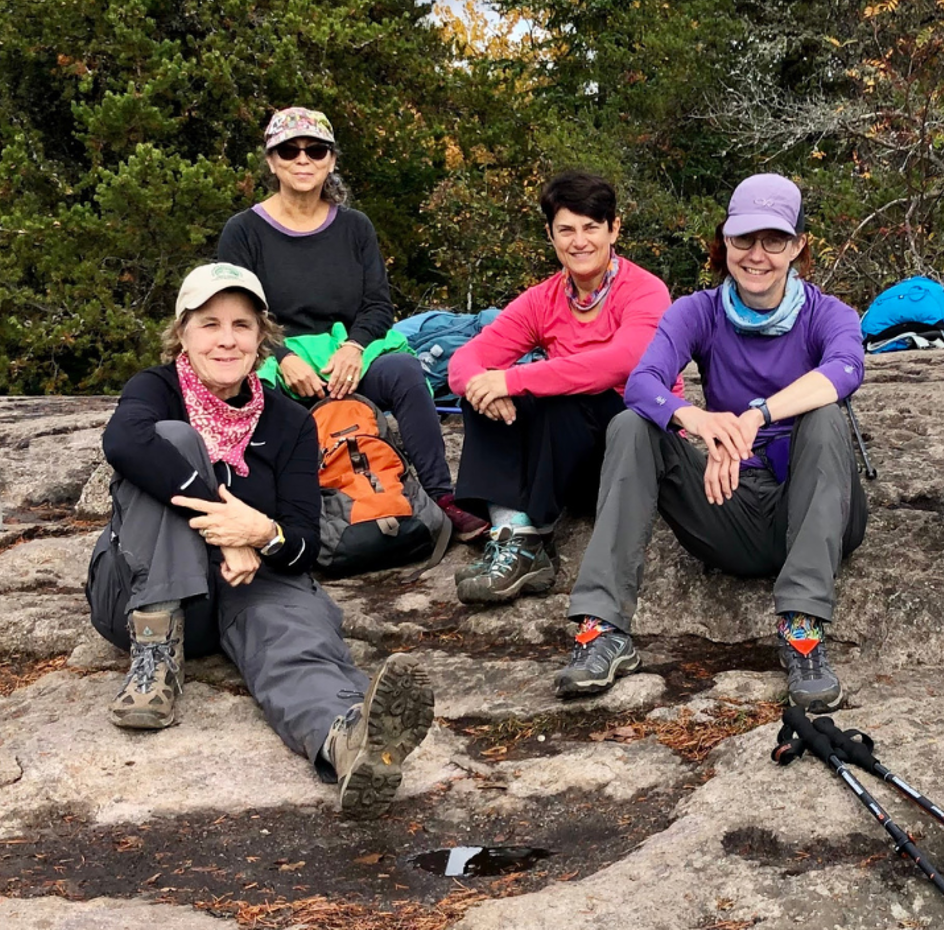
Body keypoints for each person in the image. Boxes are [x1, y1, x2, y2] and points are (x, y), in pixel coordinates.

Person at [86, 262, 433, 819]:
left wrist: (261, 532)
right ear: (183, 331)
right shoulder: (156, 390)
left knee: (292, 632)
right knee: (171, 441)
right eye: (209, 324)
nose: (226, 339)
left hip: (247, 585)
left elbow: (302, 542)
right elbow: (124, 443)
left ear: (262, 338)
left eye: (242, 325)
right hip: (139, 593)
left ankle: (347, 740)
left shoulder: (291, 422)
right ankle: (154, 666)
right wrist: (228, 527)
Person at [555, 174, 867, 710]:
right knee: (631, 425)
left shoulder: (828, 314)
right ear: (725, 242)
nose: (757, 255)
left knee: (825, 416)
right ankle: (603, 628)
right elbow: (643, 383)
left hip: (818, 506)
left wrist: (757, 415)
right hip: (733, 509)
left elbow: (844, 370)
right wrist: (698, 421)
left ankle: (804, 630)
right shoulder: (696, 311)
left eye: (774, 240)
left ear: (797, 245)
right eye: (744, 239)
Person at [216, 107, 483, 543]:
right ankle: (280, 519)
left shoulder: (356, 228)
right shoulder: (243, 231)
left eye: (315, 150)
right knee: (250, 394)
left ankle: (440, 497)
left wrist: (355, 348)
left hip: (348, 353)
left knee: (404, 372)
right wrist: (281, 357)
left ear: (331, 160)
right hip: (273, 356)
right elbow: (236, 314)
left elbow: (378, 305)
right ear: (271, 161)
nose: (303, 160)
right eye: (289, 150)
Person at [446, 171, 672, 604]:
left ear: (614, 229)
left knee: (564, 393)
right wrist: (489, 387)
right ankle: (518, 536)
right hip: (569, 458)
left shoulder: (646, 292)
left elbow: (620, 363)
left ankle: (532, 533)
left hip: (631, 455)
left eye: (591, 227)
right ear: (550, 235)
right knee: (481, 396)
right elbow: (463, 364)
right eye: (566, 229)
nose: (579, 241)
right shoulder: (543, 298)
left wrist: (512, 379)